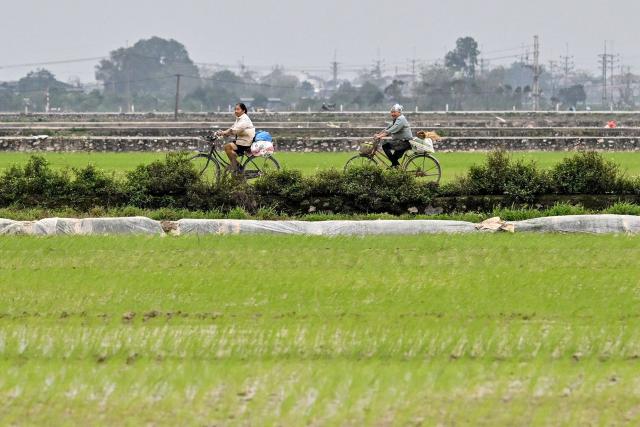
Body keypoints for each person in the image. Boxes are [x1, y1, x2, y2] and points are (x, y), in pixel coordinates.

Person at [216, 103, 256, 171]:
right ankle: (237, 167)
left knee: (227, 147)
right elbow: (232, 127)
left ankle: (237, 167)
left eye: (238, 109)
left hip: (245, 143)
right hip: (241, 141)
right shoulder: (239, 118)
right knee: (229, 149)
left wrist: (224, 133)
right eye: (235, 109)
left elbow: (235, 130)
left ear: (243, 111)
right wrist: (224, 132)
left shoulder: (244, 119)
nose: (236, 111)